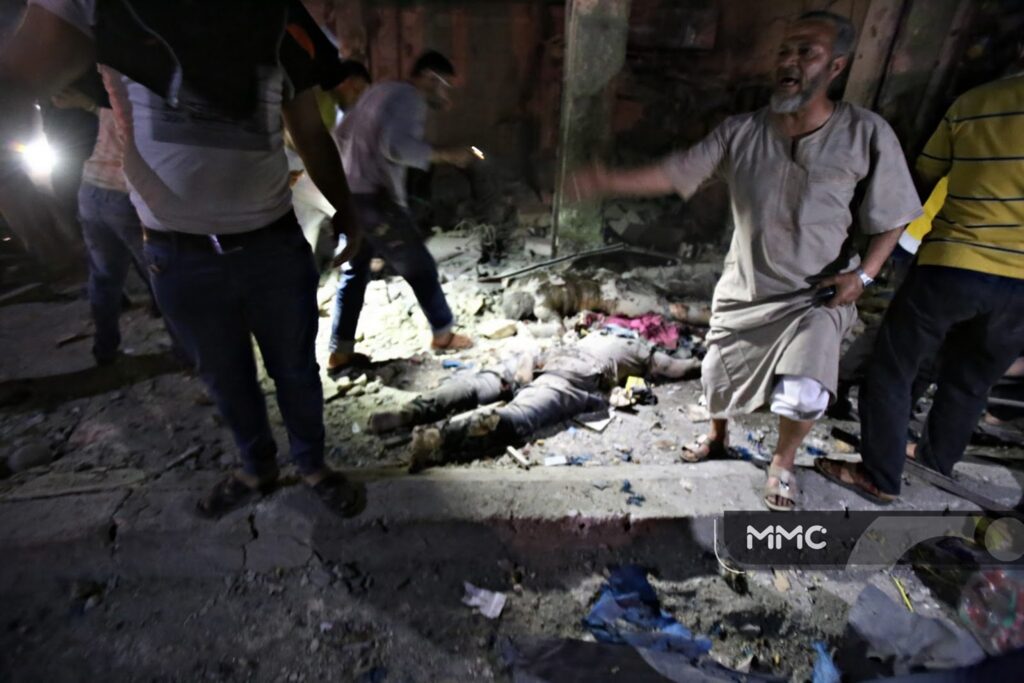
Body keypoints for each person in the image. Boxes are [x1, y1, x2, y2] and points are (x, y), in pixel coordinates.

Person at [0, 0, 365, 518]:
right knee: (224, 376)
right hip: (180, 254)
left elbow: (308, 130)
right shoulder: (110, 8)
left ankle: (311, 465)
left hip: (273, 246)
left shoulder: (275, 16)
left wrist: (346, 209)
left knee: (296, 372)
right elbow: (14, 81)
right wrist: (23, 199)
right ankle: (256, 468)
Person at [570, 11, 922, 511]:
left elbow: (897, 214)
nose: (790, 61)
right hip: (747, 289)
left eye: (807, 52)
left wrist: (862, 276)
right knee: (716, 379)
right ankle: (717, 436)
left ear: (837, 66)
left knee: (804, 391)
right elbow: (678, 171)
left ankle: (782, 463)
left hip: (815, 296)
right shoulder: (741, 132)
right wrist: (607, 181)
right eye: (785, 51)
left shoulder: (865, 132)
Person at [817, 42, 1024, 504]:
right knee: (972, 381)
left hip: (953, 265)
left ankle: (879, 476)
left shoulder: (976, 103)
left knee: (894, 368)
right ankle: (935, 461)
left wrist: (868, 257)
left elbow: (919, 184)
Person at [327, 50, 477, 374]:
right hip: (377, 201)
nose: (446, 95)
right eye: (445, 86)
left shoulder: (378, 91)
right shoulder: (411, 99)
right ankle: (443, 334)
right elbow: (397, 147)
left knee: (354, 272)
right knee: (420, 266)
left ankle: (340, 351)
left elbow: (340, 134)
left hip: (351, 198)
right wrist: (449, 155)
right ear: (429, 78)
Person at [368, 329, 701, 471]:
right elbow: (676, 368)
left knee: (478, 385)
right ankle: (437, 439)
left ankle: (408, 413)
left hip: (543, 357)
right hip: (569, 375)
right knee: (519, 416)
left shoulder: (595, 334)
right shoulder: (639, 347)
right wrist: (703, 361)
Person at [50, 85, 166, 365]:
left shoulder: (114, 93)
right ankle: (186, 350)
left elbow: (110, 118)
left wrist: (88, 104)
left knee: (104, 276)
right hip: (125, 195)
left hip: (91, 189)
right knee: (160, 275)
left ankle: (104, 348)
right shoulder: (150, 101)